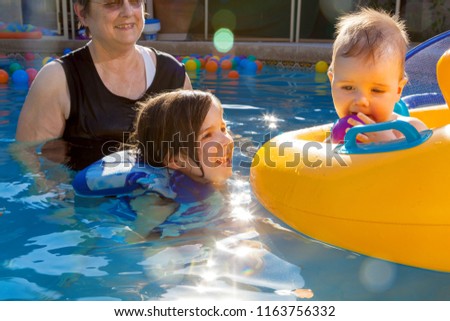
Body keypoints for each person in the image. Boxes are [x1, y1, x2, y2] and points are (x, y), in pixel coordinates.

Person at [15, 0, 192, 169]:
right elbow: (27, 158)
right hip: (88, 198)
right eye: (111, 3)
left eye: (135, 1)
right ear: (82, 13)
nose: (128, 12)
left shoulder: (173, 76)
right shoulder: (57, 80)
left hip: (161, 199)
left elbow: (197, 153)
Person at [72, 89, 234, 236]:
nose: (226, 139)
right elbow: (134, 246)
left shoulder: (208, 177)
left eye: (223, 128)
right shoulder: (158, 202)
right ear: (174, 159)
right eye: (207, 135)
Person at [327, 8, 427, 143]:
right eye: (348, 88)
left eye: (376, 90)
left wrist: (389, 144)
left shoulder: (411, 130)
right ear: (332, 82)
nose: (361, 100)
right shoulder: (339, 132)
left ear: (398, 90)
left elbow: (424, 162)